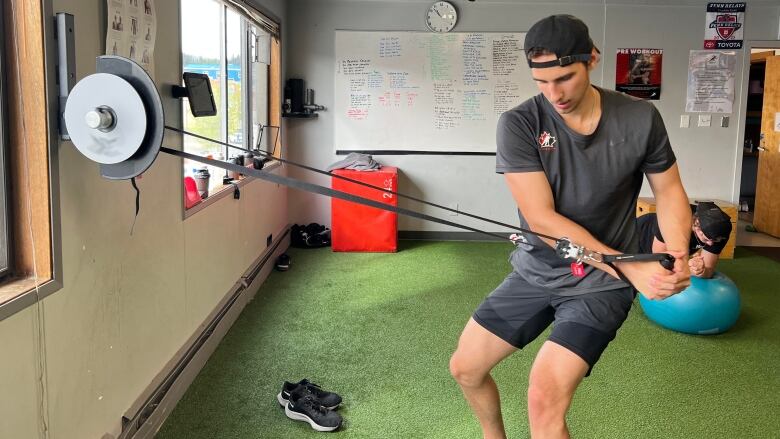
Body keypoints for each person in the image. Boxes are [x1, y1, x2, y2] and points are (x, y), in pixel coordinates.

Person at [449, 15, 692, 439]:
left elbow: (669, 191)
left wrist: (679, 254)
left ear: (592, 59)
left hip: (602, 284)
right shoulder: (520, 123)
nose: (553, 94)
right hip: (540, 270)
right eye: (541, 82)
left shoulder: (639, 118)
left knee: (543, 399)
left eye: (564, 78)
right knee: (465, 368)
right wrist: (624, 264)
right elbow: (541, 219)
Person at [638, 201, 732, 279]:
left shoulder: (721, 231)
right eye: (707, 239)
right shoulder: (673, 219)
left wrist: (700, 270)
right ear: (696, 225)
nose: (710, 243)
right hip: (639, 235)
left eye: (715, 240)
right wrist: (684, 266)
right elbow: (661, 260)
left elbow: (709, 269)